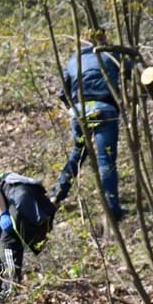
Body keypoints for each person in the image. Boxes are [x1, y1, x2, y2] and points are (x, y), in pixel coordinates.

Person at [52, 38, 133, 221]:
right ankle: (112, 209)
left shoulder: (73, 60)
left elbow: (62, 93)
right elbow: (132, 72)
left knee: (78, 153)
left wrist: (72, 108)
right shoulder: (111, 54)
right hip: (105, 109)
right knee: (106, 159)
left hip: (79, 112)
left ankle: (56, 195)